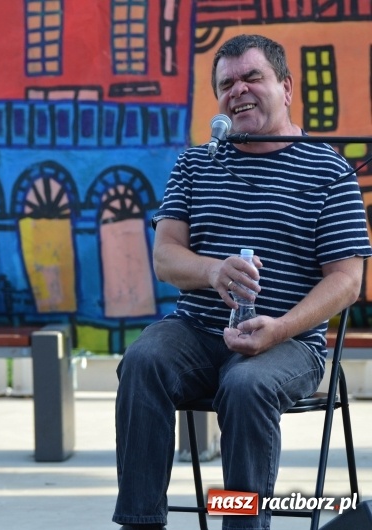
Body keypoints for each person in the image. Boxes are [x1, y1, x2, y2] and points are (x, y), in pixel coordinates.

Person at [112, 34, 371, 530]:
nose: (238, 90)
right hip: (197, 330)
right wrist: (211, 270)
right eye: (227, 83)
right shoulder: (195, 163)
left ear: (287, 87)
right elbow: (165, 256)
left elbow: (347, 281)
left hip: (288, 340)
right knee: (143, 360)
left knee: (245, 384)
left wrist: (279, 328)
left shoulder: (329, 171)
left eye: (252, 77)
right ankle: (140, 521)